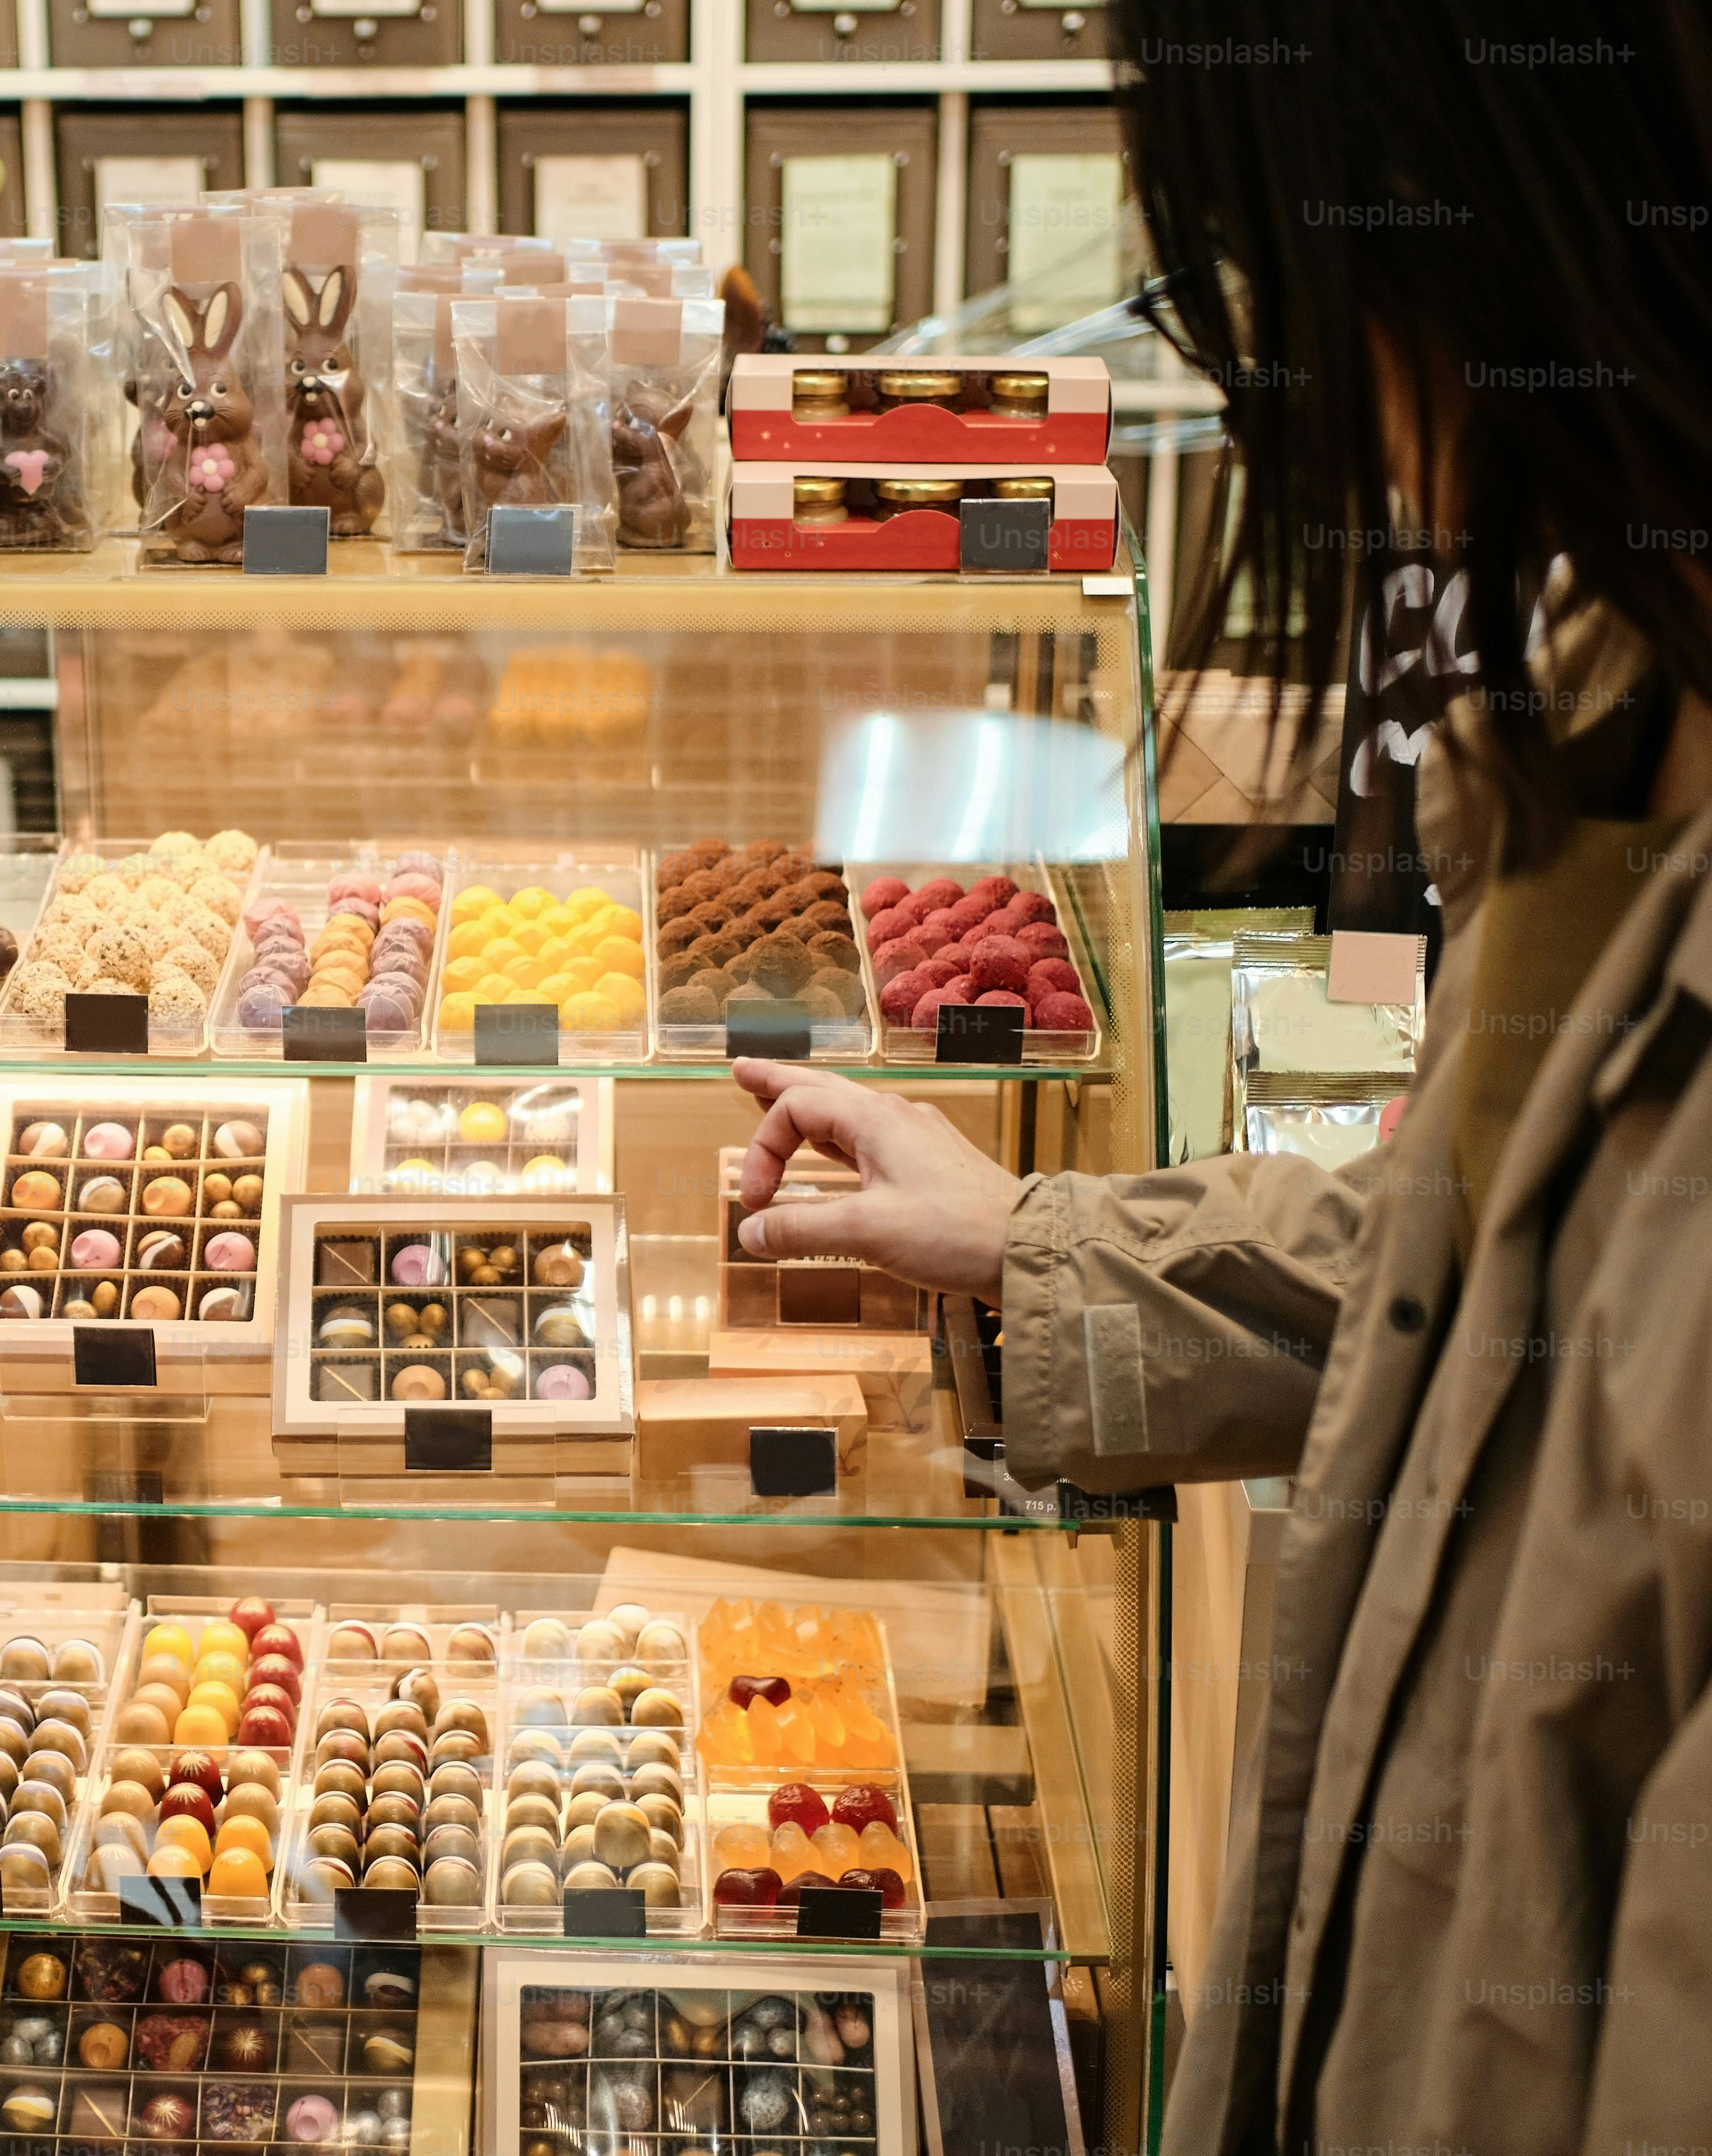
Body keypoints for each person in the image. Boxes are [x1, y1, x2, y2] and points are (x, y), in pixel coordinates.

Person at [737, 3, 1712, 2147]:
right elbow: (1472, 1267)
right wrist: (1027, 1236)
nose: (1326, 401)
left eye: (1277, 281)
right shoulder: (1630, 739)